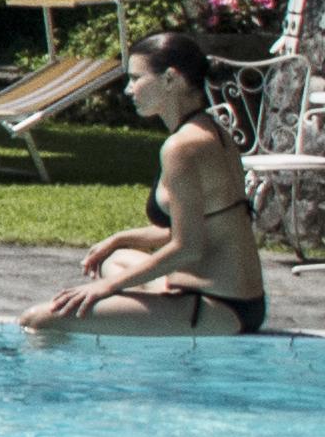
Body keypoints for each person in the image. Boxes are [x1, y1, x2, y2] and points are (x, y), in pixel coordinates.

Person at [25, 27, 275, 335]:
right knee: (113, 259)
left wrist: (104, 289)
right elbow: (198, 227)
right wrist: (120, 238)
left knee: (39, 320)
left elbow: (187, 248)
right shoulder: (210, 130)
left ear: (171, 79)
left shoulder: (182, 147)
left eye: (136, 78)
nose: (129, 90)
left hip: (216, 305)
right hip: (226, 295)